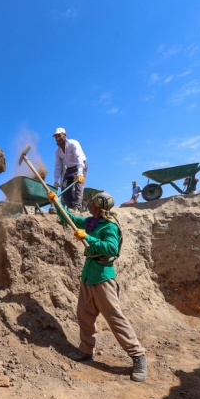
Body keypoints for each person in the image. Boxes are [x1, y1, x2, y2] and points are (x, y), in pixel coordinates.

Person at [47, 189, 148, 382]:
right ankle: (86, 350)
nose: (90, 205)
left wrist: (89, 237)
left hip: (102, 277)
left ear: (99, 207)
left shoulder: (109, 226)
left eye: (92, 203)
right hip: (88, 276)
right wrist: (55, 202)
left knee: (115, 318)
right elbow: (70, 218)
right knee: (84, 314)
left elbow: (111, 248)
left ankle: (138, 356)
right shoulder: (92, 222)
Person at [52, 127, 88, 211]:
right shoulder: (57, 152)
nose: (57, 138)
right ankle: (71, 207)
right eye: (56, 137)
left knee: (79, 185)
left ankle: (77, 206)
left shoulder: (73, 143)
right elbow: (57, 166)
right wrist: (56, 180)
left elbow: (79, 158)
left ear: (64, 135)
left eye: (59, 136)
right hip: (69, 169)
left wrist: (80, 173)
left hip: (80, 165)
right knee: (64, 187)